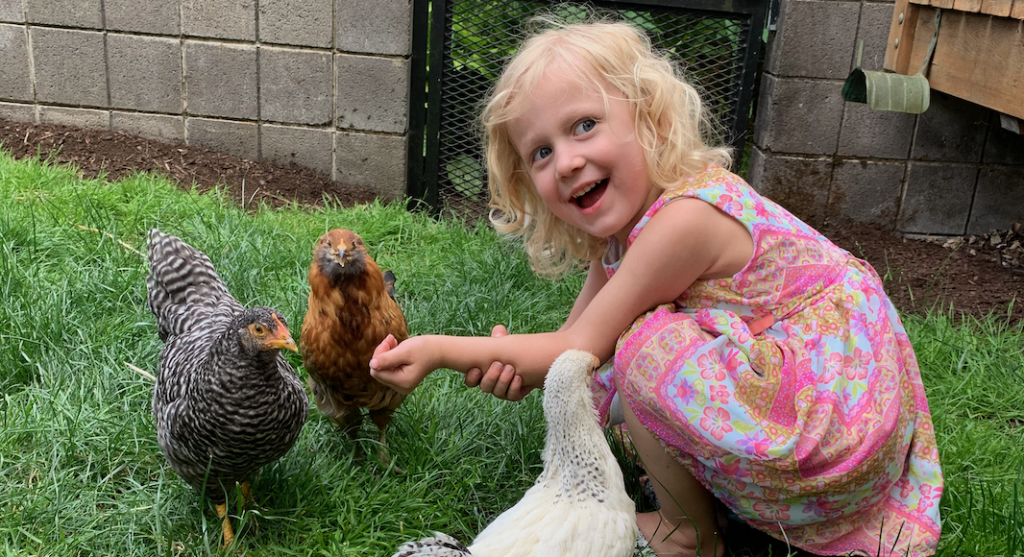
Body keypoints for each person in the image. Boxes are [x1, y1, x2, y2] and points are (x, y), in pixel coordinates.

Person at [370, 19, 943, 557]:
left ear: (650, 119)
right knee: (613, 369)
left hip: (835, 429)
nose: (566, 161)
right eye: (541, 152)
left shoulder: (683, 220)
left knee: (644, 348)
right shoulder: (622, 239)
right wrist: (520, 364)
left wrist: (442, 351)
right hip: (814, 405)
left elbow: (577, 350)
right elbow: (573, 351)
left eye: (584, 126)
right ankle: (704, 497)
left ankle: (689, 535)